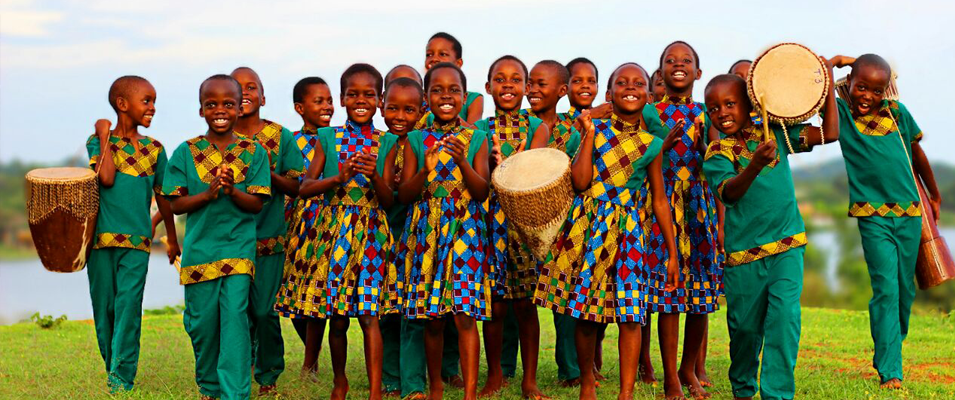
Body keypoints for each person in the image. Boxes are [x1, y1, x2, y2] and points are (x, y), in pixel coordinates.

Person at [536, 62, 679, 400]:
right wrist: (586, 135)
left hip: (629, 232)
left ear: (647, 95)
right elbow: (581, 180)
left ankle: (625, 393)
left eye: (639, 83)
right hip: (588, 230)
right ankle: (588, 383)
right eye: (622, 82)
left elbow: (659, 200)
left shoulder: (652, 144)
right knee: (585, 312)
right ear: (609, 92)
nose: (631, 87)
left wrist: (672, 253)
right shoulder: (595, 131)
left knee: (630, 314)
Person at [702, 67, 839, 399]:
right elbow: (729, 194)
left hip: (787, 244)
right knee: (745, 331)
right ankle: (743, 389)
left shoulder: (776, 133)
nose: (722, 113)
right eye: (714, 108)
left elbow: (829, 133)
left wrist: (828, 84)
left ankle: (777, 394)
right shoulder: (716, 154)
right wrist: (755, 165)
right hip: (743, 255)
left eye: (730, 104)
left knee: (784, 321)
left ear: (750, 103)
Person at [279, 63, 398, 400]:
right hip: (333, 236)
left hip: (372, 234)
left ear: (380, 99)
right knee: (338, 316)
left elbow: (389, 198)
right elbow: (305, 188)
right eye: (353, 94)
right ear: (343, 99)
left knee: (370, 316)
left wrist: (374, 176)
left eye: (369, 95)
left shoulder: (387, 142)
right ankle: (340, 382)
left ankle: (375, 391)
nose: (361, 100)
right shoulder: (327, 137)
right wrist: (338, 178)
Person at [831, 54, 942, 390]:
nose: (867, 95)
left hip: (909, 214)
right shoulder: (843, 118)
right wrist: (838, 60)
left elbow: (917, 154)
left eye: (876, 90)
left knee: (905, 290)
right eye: (861, 86)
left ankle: (892, 343)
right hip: (873, 217)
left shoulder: (898, 114)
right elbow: (819, 86)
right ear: (849, 83)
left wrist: (934, 196)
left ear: (885, 91)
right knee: (886, 289)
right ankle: (890, 368)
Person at [162, 74, 272, 400]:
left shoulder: (254, 152)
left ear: (240, 108)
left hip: (238, 247)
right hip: (200, 249)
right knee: (201, 323)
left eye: (228, 104)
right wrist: (208, 195)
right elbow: (176, 202)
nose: (220, 110)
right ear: (201, 110)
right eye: (211, 104)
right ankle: (208, 386)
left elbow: (256, 204)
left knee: (235, 318)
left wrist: (231, 191)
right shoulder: (185, 152)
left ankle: (234, 393)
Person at [394, 62, 491, 400]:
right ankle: (434, 387)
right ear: (426, 97)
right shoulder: (416, 140)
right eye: (437, 90)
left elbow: (481, 192)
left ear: (464, 97)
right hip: (426, 232)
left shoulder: (477, 138)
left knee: (465, 314)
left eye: (453, 90)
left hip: (466, 231)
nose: (445, 96)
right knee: (431, 316)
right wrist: (426, 169)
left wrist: (463, 160)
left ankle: (469, 393)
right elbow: (404, 194)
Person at [85, 75, 179, 393]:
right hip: (99, 243)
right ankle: (112, 364)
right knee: (105, 309)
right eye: (147, 100)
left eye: (154, 101)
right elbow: (106, 177)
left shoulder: (155, 150)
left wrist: (172, 237)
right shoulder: (97, 141)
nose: (152, 107)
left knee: (128, 306)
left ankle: (122, 377)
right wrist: (103, 133)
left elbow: (164, 197)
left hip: (137, 243)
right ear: (123, 105)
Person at [642, 41, 722, 400]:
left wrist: (721, 221)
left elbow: (719, 165)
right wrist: (660, 141)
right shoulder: (648, 112)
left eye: (686, 60)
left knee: (700, 295)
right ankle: (670, 378)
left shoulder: (708, 114)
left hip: (700, 207)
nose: (678, 65)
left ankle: (689, 368)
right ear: (659, 73)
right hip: (661, 209)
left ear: (698, 73)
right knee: (669, 295)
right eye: (670, 61)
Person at [473, 54, 549, 399]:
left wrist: (511, 165)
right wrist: (491, 166)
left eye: (515, 80)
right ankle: (495, 374)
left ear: (526, 87)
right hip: (489, 223)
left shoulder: (538, 128)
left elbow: (534, 174)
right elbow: (475, 179)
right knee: (495, 305)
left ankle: (529, 379)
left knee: (525, 305)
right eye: (500, 80)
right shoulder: (478, 131)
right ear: (488, 87)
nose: (508, 86)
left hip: (524, 224)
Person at [230, 66, 304, 395]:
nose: (244, 92)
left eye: (251, 87)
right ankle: (243, 368)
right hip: (231, 239)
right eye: (237, 88)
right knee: (237, 310)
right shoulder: (218, 138)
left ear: (263, 97)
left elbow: (296, 185)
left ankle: (270, 370)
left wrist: (265, 172)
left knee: (263, 310)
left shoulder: (279, 136)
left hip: (270, 238)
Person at [379, 74, 428, 399]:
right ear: (381, 106)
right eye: (393, 108)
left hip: (420, 237)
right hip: (383, 236)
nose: (400, 117)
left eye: (409, 110)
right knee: (386, 311)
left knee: (415, 312)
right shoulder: (377, 143)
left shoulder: (427, 143)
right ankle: (390, 377)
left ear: (421, 110)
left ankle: (413, 384)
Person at [283, 76, 334, 376]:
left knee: (317, 295)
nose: (326, 106)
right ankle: (309, 351)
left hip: (329, 224)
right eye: (319, 101)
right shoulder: (290, 140)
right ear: (300, 108)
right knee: (293, 296)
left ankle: (310, 363)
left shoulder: (338, 138)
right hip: (295, 226)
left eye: (329, 100)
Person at [424, 32, 484, 124]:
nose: (434, 58)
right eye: (429, 55)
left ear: (458, 63)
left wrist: (449, 112)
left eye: (443, 54)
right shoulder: (419, 97)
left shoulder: (473, 99)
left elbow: (474, 133)